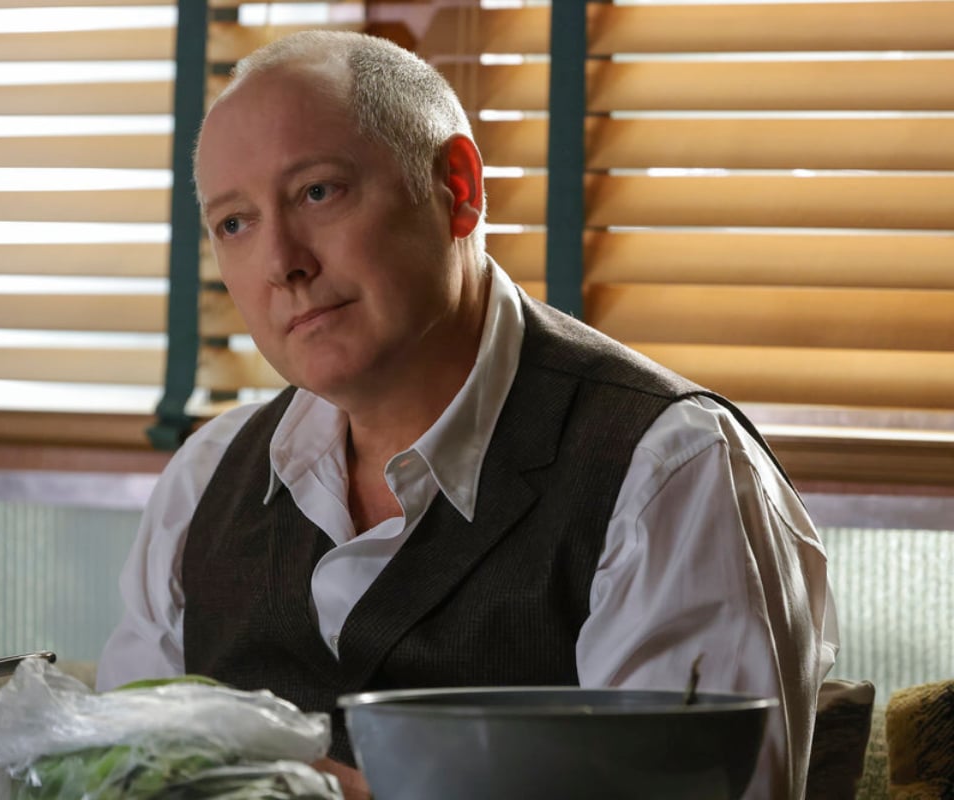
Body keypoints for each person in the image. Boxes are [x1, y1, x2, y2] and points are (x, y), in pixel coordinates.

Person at [97, 30, 838, 800]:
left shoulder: (667, 470)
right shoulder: (205, 479)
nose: (282, 263)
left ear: (458, 186)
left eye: (318, 192)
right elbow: (114, 774)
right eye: (235, 224)